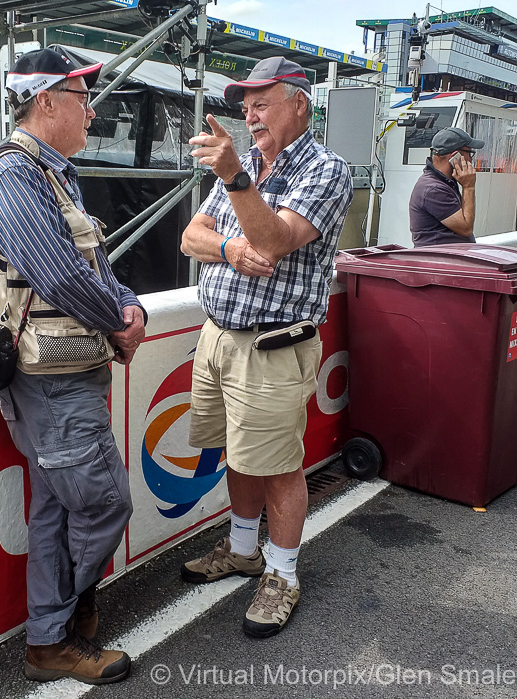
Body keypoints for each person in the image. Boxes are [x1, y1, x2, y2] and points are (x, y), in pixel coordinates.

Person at [0, 49, 145, 684]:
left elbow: (95, 269)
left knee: (55, 507)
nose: (92, 112)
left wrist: (127, 306)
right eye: (82, 98)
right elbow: (61, 275)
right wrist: (122, 321)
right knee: (103, 505)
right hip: (50, 382)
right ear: (48, 102)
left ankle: (53, 636)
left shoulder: (50, 174)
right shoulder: (16, 175)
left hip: (64, 373)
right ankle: (63, 624)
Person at [179, 57, 352, 639]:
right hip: (219, 337)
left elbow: (275, 239)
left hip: (275, 345)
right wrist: (228, 251)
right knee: (237, 452)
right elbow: (190, 237)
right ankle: (244, 549)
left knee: (278, 465)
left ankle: (282, 574)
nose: (250, 117)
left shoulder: (325, 170)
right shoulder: (250, 162)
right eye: (245, 105)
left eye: (262, 103)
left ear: (298, 104)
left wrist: (233, 180)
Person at [409, 126, 484, 247]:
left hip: (449, 258)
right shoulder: (433, 189)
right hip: (439, 261)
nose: (471, 159)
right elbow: (465, 229)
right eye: (470, 153)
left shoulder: (445, 182)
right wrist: (469, 187)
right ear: (455, 156)